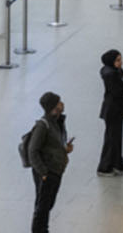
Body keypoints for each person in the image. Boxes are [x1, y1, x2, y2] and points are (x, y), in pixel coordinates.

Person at [24, 91, 74, 233]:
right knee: (43, 206)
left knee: (48, 204)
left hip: (56, 170)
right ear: (53, 107)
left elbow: (52, 145)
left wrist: (65, 149)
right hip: (47, 172)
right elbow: (32, 151)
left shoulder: (56, 122)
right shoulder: (43, 125)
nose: (61, 104)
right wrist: (44, 173)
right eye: (59, 102)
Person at [97, 50, 123, 175]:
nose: (121, 62)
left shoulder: (115, 71)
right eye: (118, 60)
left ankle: (117, 163)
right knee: (112, 139)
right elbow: (122, 90)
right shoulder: (111, 74)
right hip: (113, 111)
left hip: (116, 110)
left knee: (116, 138)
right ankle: (105, 166)